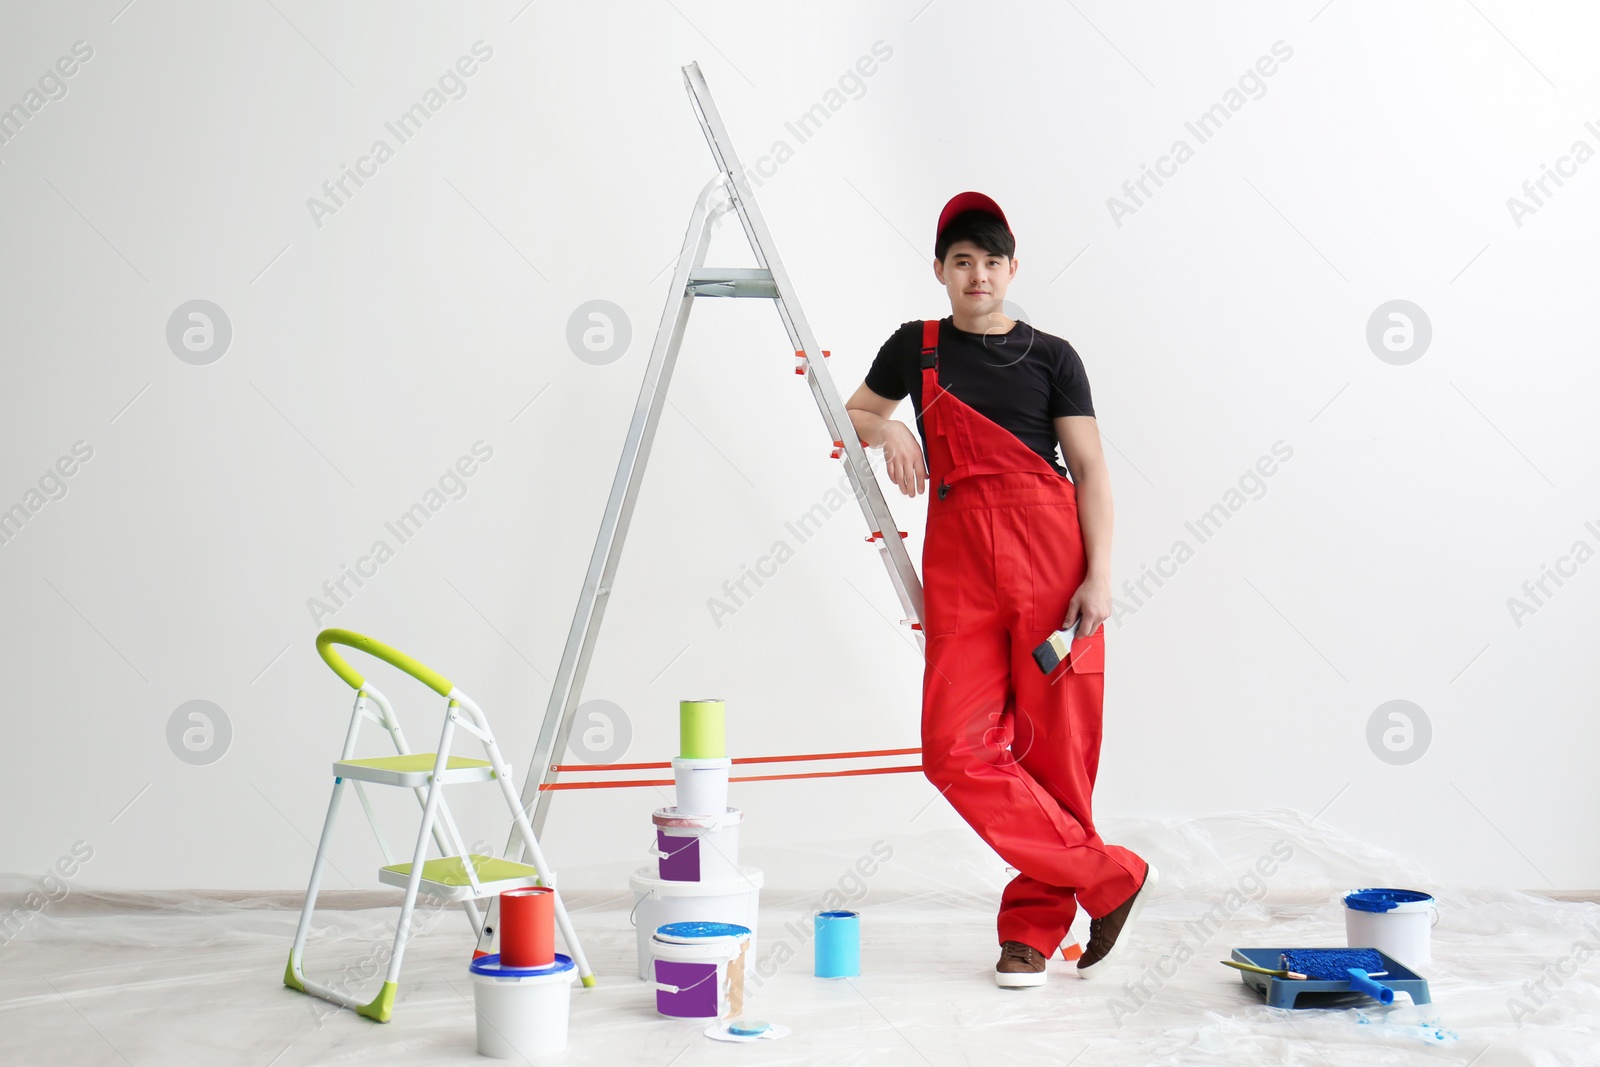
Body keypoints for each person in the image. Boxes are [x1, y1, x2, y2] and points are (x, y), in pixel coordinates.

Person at [844, 192, 1156, 988]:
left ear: (1012, 268)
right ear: (941, 271)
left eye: (991, 260)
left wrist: (1100, 574)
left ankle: (1031, 932)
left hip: (1050, 559)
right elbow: (852, 414)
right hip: (961, 567)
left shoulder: (1054, 355)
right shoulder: (913, 348)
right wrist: (894, 428)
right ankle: (1106, 873)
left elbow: (1088, 468)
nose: (977, 274)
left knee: (1057, 758)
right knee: (954, 749)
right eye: (961, 261)